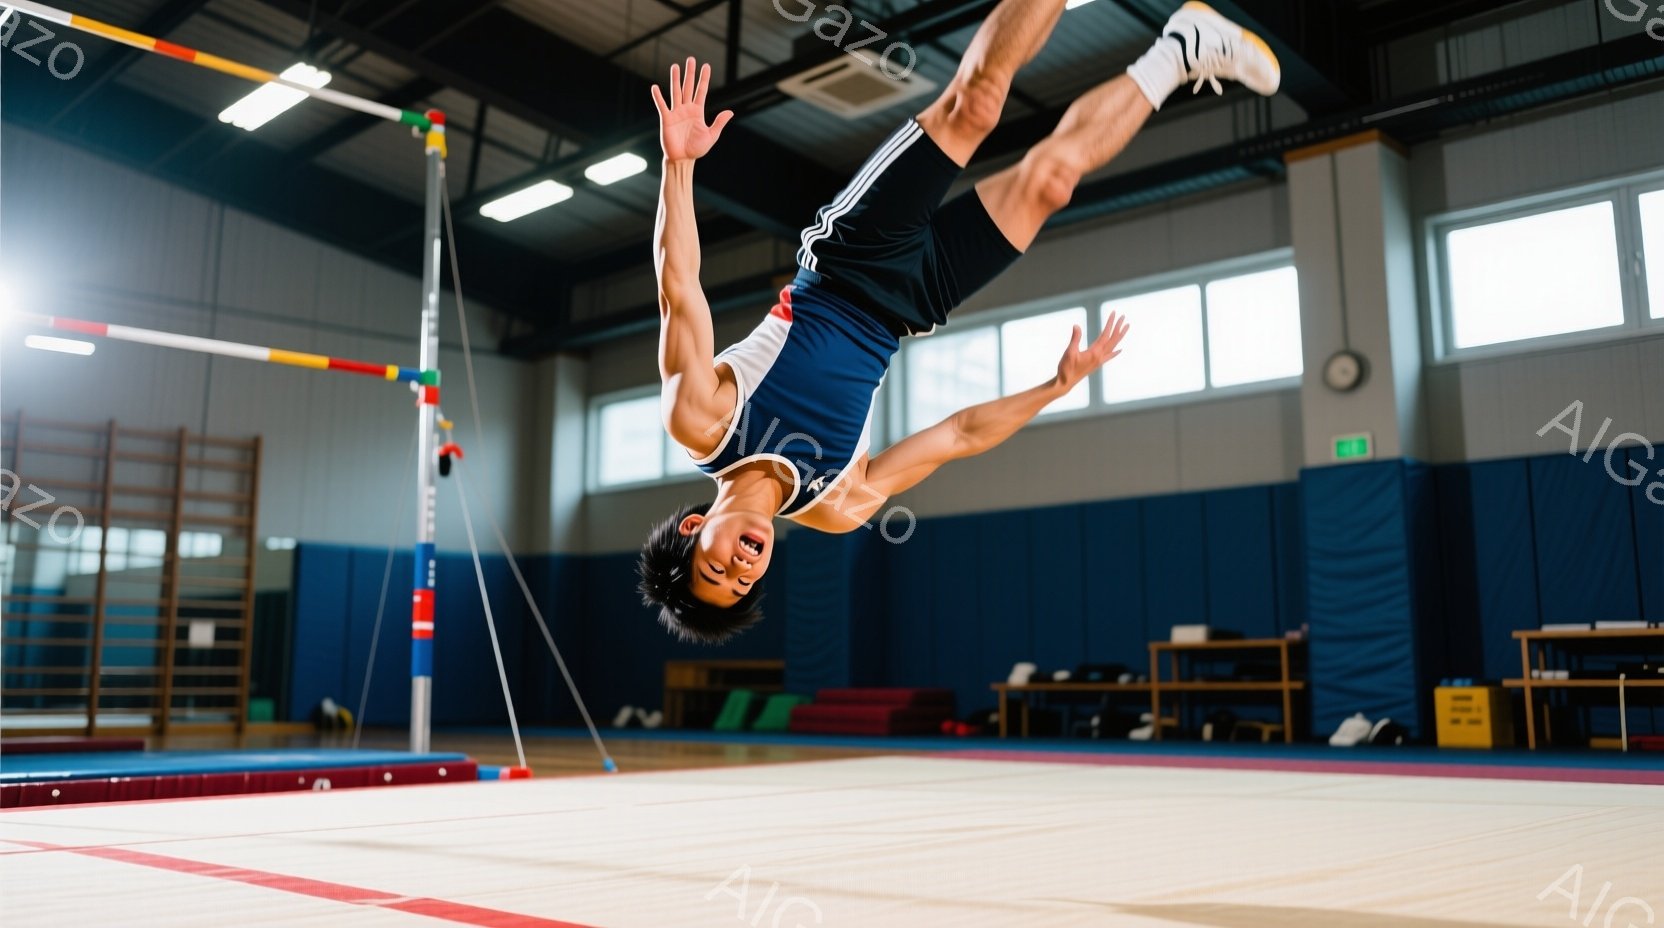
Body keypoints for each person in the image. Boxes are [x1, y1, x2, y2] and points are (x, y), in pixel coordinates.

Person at [639, 1, 1280, 642]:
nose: (741, 568)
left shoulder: (702, 421)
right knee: (1051, 182)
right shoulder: (835, 505)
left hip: (848, 257)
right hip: (913, 305)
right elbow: (956, 437)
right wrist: (1052, 389)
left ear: (694, 529)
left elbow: (679, 288)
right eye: (743, 584)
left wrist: (680, 163)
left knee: (973, 106)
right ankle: (1182, 50)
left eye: (716, 568)